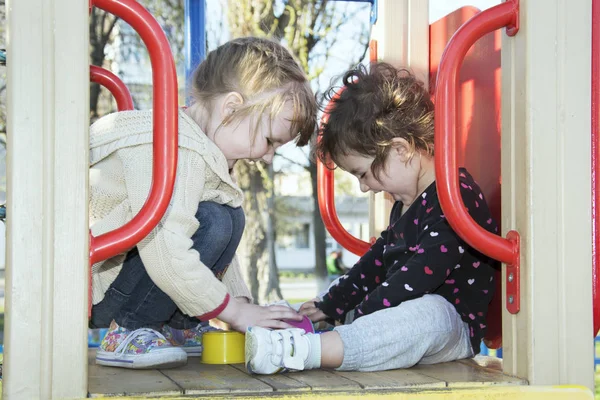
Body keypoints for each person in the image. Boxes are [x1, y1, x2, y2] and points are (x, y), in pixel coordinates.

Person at [245, 63, 499, 374]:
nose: (365, 187)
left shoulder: (454, 195)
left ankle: (302, 350)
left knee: (429, 314)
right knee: (349, 286)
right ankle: (309, 330)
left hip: (450, 328)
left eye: (363, 174)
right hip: (397, 319)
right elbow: (375, 264)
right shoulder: (405, 204)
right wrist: (330, 304)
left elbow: (420, 275)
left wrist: (361, 312)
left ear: (400, 149)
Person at [89, 37, 317, 369]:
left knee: (228, 217)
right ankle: (130, 329)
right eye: (269, 142)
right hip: (98, 285)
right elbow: (166, 249)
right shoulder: (172, 147)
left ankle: (179, 326)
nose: (268, 158)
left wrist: (240, 304)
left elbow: (222, 247)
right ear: (232, 108)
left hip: (133, 275)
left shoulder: (209, 152)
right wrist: (236, 313)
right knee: (214, 219)